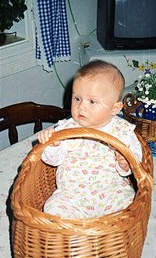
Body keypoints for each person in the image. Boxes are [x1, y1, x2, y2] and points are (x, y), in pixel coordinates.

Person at [38, 60, 142, 219]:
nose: (82, 107)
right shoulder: (66, 128)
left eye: (92, 101)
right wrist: (53, 145)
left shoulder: (123, 131)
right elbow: (52, 160)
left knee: (129, 207)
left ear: (115, 108)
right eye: (77, 99)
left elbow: (136, 163)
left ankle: (110, 238)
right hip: (72, 195)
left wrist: (125, 163)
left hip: (112, 191)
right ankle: (77, 239)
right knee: (52, 208)